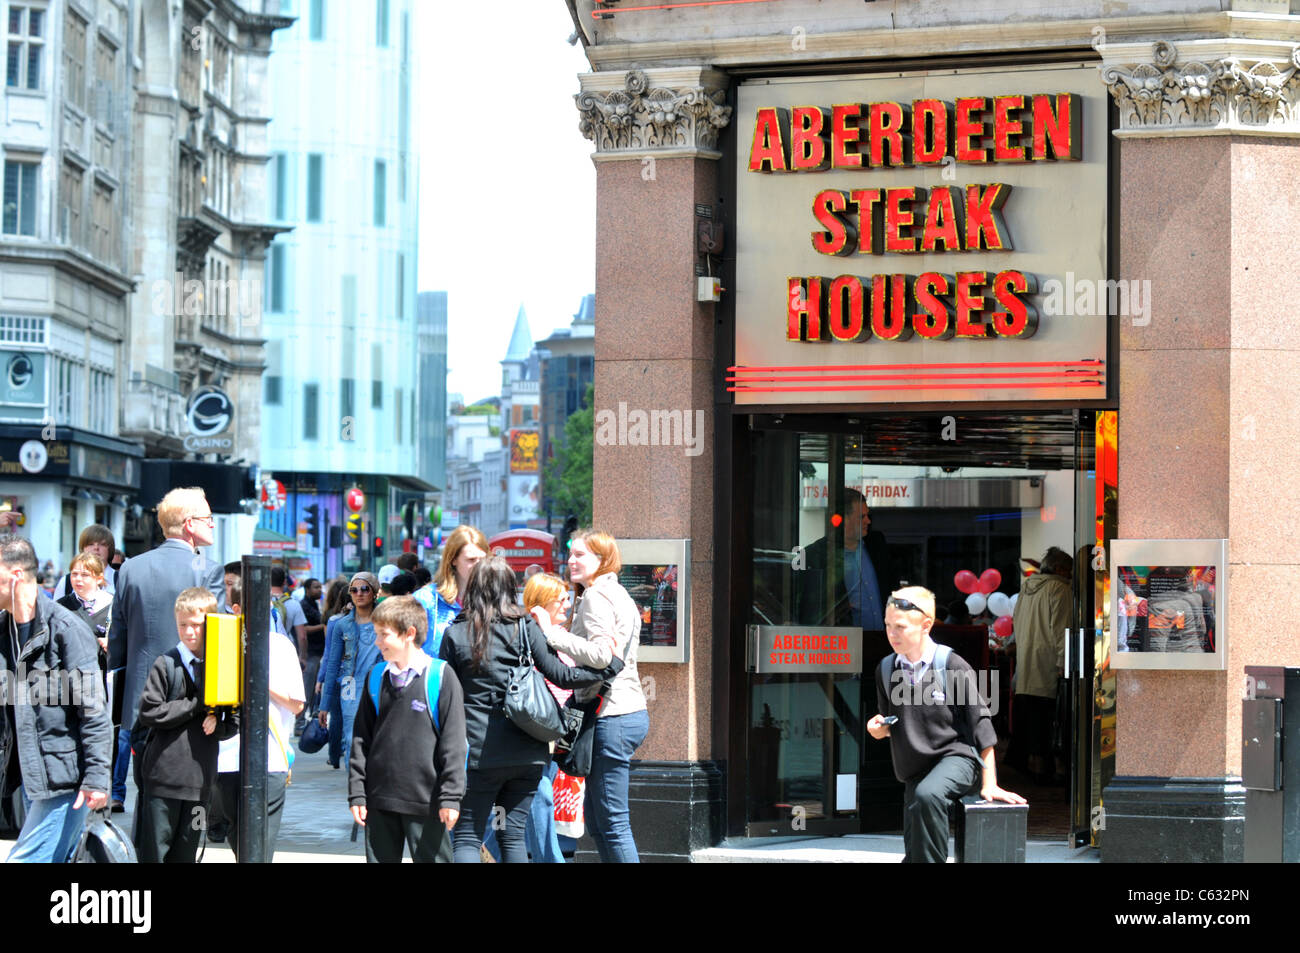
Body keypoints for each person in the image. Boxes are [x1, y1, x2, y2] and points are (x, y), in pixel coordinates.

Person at [440, 556, 621, 863]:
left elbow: (446, 696)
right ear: (511, 587)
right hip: (527, 750)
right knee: (512, 834)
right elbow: (562, 675)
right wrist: (610, 667)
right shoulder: (524, 627)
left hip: (477, 753)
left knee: (468, 838)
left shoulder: (456, 633)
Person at [866, 586, 1024, 863]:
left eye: (900, 627)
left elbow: (981, 725)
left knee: (928, 797)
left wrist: (991, 783)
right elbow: (890, 721)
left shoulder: (950, 664)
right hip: (914, 766)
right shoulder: (886, 668)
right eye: (888, 625)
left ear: (926, 625)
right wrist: (878, 728)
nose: (892, 634)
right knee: (916, 846)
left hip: (956, 757)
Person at [109, 487, 225, 816]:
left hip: (141, 702)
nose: (212, 524)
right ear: (189, 524)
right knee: (189, 806)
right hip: (193, 703)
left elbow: (118, 639)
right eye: (208, 518)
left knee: (148, 797)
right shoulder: (207, 571)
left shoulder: (130, 569)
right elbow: (218, 643)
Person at [0, 535, 111, 861]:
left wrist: (96, 778)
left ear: (15, 575)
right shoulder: (3, 629)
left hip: (65, 781)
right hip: (28, 777)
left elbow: (93, 711)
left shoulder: (66, 630)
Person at [543, 530, 648, 863]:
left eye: (581, 555)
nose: (572, 560)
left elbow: (602, 656)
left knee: (613, 824)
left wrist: (552, 634)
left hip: (611, 717)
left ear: (603, 560)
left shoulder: (596, 596)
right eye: (571, 554)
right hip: (623, 713)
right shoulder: (618, 594)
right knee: (600, 823)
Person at [349, 595, 466, 863]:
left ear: (409, 634)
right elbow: (360, 740)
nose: (377, 642)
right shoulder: (376, 676)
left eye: (383, 635)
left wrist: (450, 797)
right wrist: (357, 793)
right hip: (378, 800)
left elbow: (454, 743)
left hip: (427, 800)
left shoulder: (440, 676)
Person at [134, 587, 239, 863]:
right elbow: (149, 711)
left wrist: (217, 724)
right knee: (155, 851)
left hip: (201, 784)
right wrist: (195, 705)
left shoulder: (223, 667)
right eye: (183, 625)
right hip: (163, 781)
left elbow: (234, 721)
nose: (190, 632)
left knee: (187, 853)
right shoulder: (166, 663)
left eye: (196, 625)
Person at [209, 579, 305, 859]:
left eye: (267, 605)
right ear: (236, 609)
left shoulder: (281, 645)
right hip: (226, 759)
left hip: (271, 758)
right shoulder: (220, 643)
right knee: (241, 844)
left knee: (261, 848)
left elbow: (296, 704)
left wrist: (258, 677)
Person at [523, 572, 582, 863]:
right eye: (561, 599)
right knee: (540, 798)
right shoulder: (529, 637)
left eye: (567, 598)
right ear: (541, 603)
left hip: (554, 734)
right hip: (533, 734)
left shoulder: (558, 634)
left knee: (539, 799)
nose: (567, 605)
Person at [1010, 546, 1073, 783]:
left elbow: (1016, 622)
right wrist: (1063, 661)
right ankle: (1046, 769)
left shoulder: (1027, 588)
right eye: (1069, 570)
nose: (1070, 575)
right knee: (1047, 721)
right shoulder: (1059, 588)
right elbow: (1062, 628)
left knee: (1029, 717)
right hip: (1047, 663)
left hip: (1027, 661)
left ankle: (1031, 765)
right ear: (1058, 568)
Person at [794, 488, 897, 629]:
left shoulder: (877, 545)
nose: (868, 521)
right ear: (843, 519)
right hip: (843, 644)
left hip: (884, 640)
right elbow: (809, 607)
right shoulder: (815, 555)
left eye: (868, 515)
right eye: (862, 516)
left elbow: (892, 588)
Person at [317, 572, 380, 769]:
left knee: (377, 735)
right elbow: (332, 663)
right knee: (351, 735)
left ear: (375, 592)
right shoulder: (341, 625)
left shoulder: (386, 620)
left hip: (378, 684)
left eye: (364, 589)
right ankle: (356, 782)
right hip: (350, 686)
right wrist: (324, 705)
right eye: (354, 590)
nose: (359, 594)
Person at [415, 525, 487, 659]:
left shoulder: (491, 600)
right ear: (453, 560)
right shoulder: (426, 599)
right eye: (471, 560)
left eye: (482, 560)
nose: (479, 566)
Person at [56, 551, 113, 675]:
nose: (78, 579)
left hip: (102, 672)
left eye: (85, 575)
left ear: (99, 578)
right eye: (74, 574)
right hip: (70, 675)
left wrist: (112, 643)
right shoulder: (60, 606)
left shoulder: (113, 605)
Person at [315, 575, 351, 768]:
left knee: (337, 717)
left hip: (340, 676)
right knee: (344, 716)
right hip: (347, 677)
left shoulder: (333, 619)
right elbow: (330, 654)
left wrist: (321, 679)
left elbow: (328, 655)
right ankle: (343, 754)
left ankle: (335, 755)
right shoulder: (338, 621)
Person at [54, 525, 118, 597]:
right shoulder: (67, 582)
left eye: (102, 544)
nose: (96, 548)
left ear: (110, 549)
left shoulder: (120, 580)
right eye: (90, 544)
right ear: (82, 548)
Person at [297, 577, 326, 732]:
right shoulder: (303, 605)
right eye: (316, 587)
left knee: (314, 688)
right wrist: (323, 626)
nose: (319, 590)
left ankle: (306, 720)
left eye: (320, 587)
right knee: (307, 688)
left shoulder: (314, 604)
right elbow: (304, 629)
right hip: (310, 653)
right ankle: (299, 722)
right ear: (307, 589)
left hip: (317, 652)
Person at [271, 567, 307, 664]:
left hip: (265, 650)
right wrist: (302, 658)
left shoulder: (260, 602)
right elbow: (302, 636)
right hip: (286, 650)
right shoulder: (294, 604)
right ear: (284, 582)